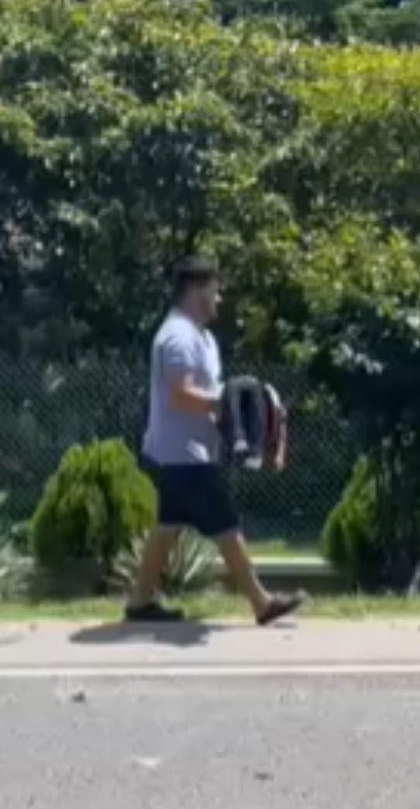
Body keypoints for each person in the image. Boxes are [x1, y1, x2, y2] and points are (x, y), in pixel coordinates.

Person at [125, 256, 304, 625]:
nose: (219, 298)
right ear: (196, 290)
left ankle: (140, 602)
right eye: (215, 290)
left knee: (168, 527)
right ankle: (261, 602)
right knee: (225, 524)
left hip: (190, 449)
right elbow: (180, 394)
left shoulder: (203, 338)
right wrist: (224, 403)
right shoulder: (177, 335)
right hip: (183, 452)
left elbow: (206, 395)